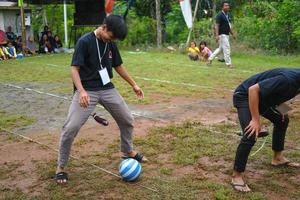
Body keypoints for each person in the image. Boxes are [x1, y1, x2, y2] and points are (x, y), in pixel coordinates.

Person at [54, 15, 148, 184]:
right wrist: (81, 91)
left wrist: (134, 84)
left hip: (106, 88)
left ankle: (127, 151)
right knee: (70, 128)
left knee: (127, 119)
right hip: (87, 90)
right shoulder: (84, 42)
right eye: (112, 36)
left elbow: (118, 65)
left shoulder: (110, 43)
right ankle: (61, 167)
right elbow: (74, 69)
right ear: (104, 27)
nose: (112, 40)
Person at [231, 68, 300, 192]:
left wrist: (282, 109)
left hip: (264, 100)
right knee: (251, 132)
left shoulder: (296, 82)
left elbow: (279, 93)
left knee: (283, 119)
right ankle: (236, 175)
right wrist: (255, 120)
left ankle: (277, 158)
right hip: (245, 96)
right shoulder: (288, 80)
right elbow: (253, 90)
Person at [207, 1, 236, 68]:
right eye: (226, 5)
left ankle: (209, 59)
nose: (227, 7)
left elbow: (228, 26)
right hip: (222, 35)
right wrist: (217, 35)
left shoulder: (227, 15)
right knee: (227, 48)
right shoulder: (220, 15)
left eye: (228, 5)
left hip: (226, 34)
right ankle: (229, 64)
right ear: (222, 7)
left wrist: (232, 34)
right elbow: (217, 25)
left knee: (220, 49)